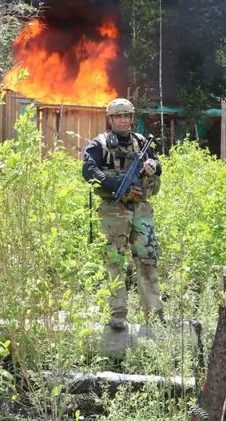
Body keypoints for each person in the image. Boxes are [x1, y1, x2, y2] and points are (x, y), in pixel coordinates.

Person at [82, 98, 165, 331]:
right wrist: (115, 183)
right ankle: (117, 314)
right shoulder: (99, 144)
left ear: (132, 118)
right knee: (115, 261)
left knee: (148, 260)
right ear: (110, 119)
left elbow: (158, 165)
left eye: (126, 116)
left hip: (141, 209)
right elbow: (88, 171)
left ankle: (155, 315)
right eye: (118, 116)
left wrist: (152, 166)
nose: (122, 120)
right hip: (113, 209)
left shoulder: (142, 143)